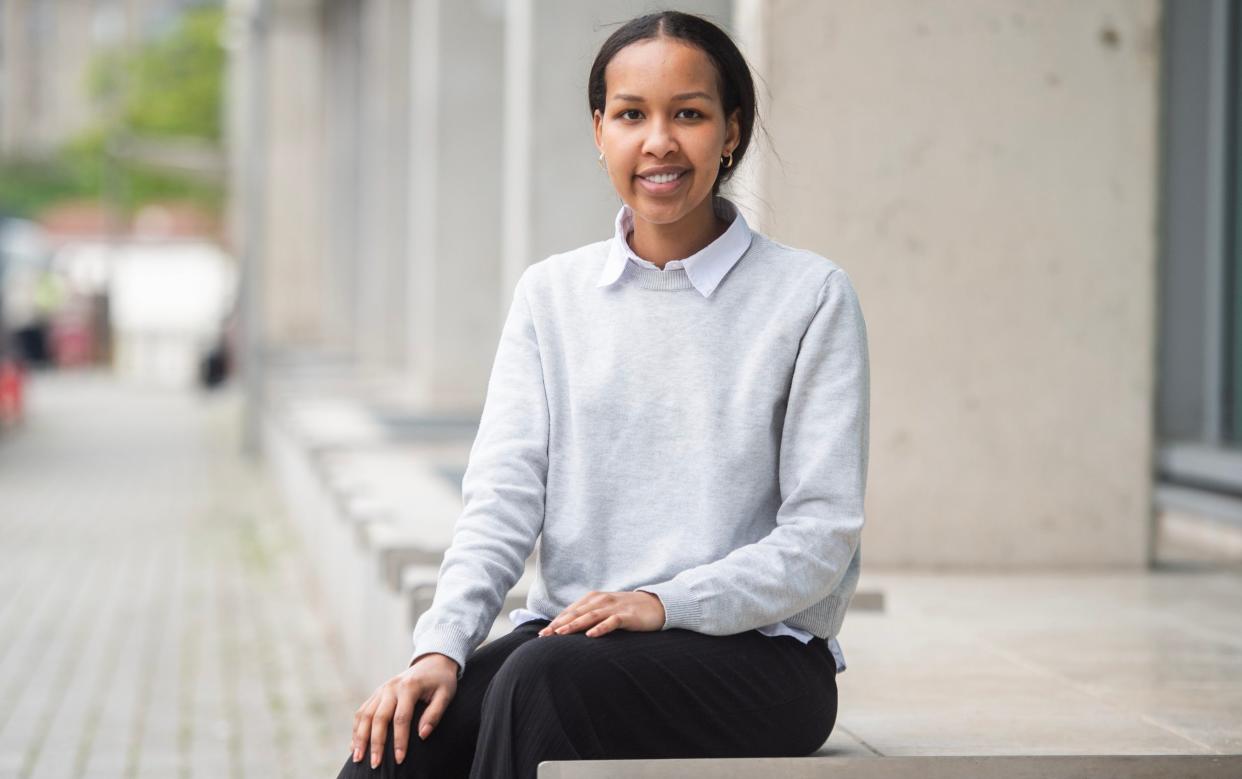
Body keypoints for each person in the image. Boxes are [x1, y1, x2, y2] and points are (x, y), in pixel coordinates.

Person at [337, 10, 869, 778]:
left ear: (731, 131)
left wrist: (663, 602)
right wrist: (440, 645)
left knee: (537, 685)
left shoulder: (809, 296)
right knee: (394, 747)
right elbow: (502, 498)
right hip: (577, 643)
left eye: (688, 113)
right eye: (631, 115)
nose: (659, 141)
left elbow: (822, 536)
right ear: (598, 131)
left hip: (759, 659)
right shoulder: (552, 295)